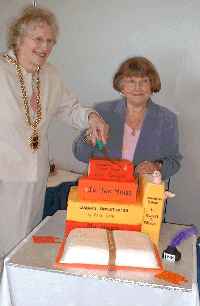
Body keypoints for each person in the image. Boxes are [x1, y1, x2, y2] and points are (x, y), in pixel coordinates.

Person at [0, 5, 108, 259]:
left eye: (50, 41)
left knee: (24, 245)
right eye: (38, 39)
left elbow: (69, 109)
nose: (44, 47)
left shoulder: (50, 75)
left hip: (35, 175)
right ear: (18, 38)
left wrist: (92, 117)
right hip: (4, 175)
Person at [73, 56, 182, 180]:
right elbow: (80, 155)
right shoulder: (102, 112)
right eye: (131, 81)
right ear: (121, 86)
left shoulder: (167, 119)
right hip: (103, 190)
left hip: (143, 192)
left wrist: (156, 166)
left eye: (144, 81)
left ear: (152, 85)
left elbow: (174, 161)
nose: (137, 87)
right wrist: (89, 138)